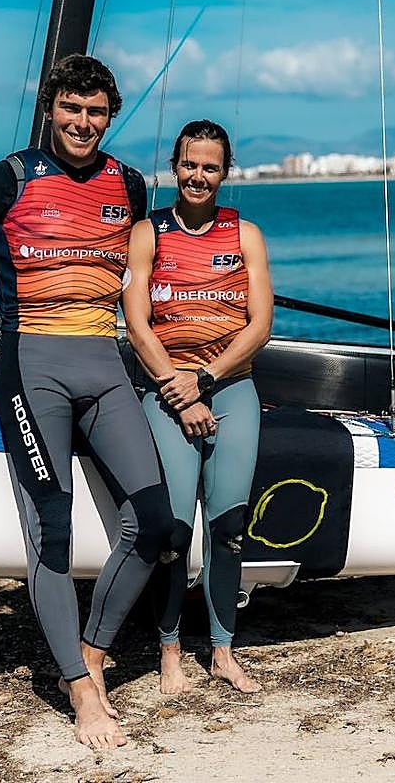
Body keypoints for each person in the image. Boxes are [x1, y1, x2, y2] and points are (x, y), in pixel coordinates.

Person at [0, 54, 172, 749]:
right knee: (53, 533)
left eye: (96, 112)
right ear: (51, 109)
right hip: (31, 370)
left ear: (110, 116)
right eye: (72, 109)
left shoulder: (128, 185)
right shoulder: (4, 180)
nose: (83, 122)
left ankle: (95, 653)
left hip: (105, 367)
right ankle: (81, 691)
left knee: (157, 522)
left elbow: (149, 284)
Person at [123, 120, 273, 695]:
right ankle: (168, 649)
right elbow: (137, 322)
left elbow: (259, 325)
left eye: (210, 167)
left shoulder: (245, 236)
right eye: (189, 165)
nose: (198, 176)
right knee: (172, 530)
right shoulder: (148, 233)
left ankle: (224, 650)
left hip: (231, 389)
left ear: (224, 173)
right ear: (174, 166)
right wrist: (176, 388)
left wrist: (205, 378)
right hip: (165, 392)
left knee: (229, 526)